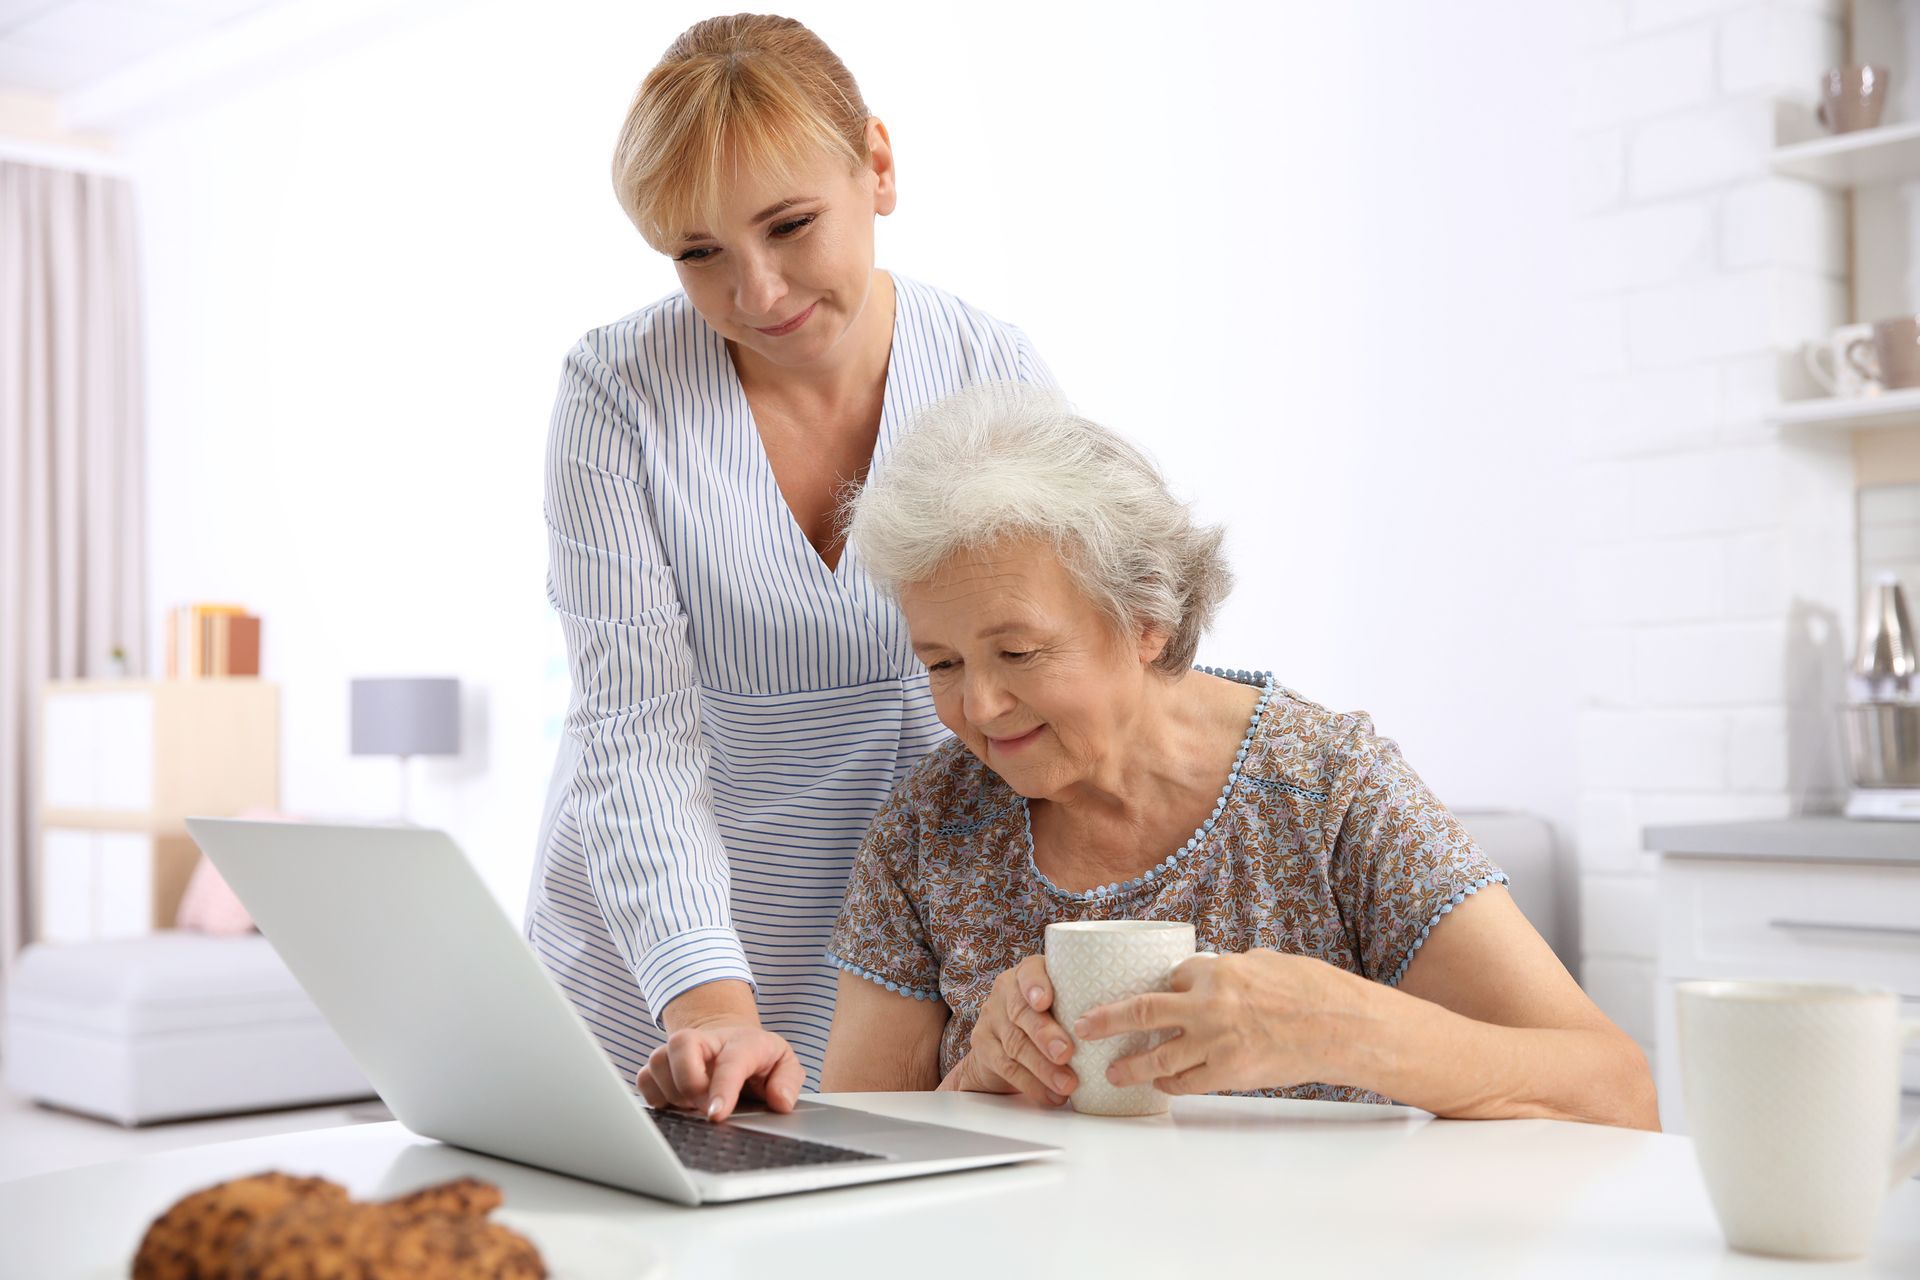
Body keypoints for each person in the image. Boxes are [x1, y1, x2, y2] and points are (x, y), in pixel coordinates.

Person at [818, 384, 1659, 1130]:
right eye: (943, 664)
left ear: (1146, 618)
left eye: (1020, 653)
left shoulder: (1326, 788)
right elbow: (856, 1150)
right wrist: (981, 1080)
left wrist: (1342, 1029)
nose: (979, 707)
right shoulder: (933, 827)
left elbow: (1615, 1093)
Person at [527, 15, 1054, 1123]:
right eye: (698, 253)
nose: (757, 292)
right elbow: (633, 726)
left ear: (877, 165)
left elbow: (1039, 690)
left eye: (791, 224)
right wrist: (706, 1002)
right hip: (660, 954)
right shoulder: (617, 392)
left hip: (892, 957)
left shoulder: (992, 372)